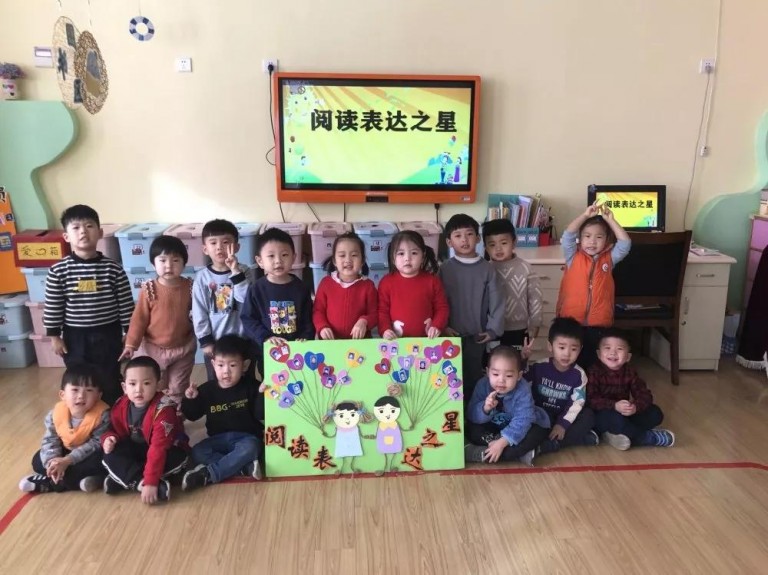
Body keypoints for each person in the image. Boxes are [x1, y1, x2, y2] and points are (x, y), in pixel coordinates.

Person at [43, 204, 134, 404]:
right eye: (76, 228)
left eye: (89, 226)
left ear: (100, 233)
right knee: (79, 377)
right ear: (66, 236)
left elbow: (126, 304)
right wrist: (54, 336)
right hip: (75, 336)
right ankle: (82, 414)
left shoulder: (113, 269)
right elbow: (53, 306)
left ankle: (111, 414)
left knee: (109, 376)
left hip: (108, 333)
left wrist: (129, 332)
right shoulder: (58, 271)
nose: (83, 231)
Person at [101, 356, 189, 504]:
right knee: (109, 454)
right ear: (124, 387)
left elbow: (158, 447)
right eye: (132, 384)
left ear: (158, 385)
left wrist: (151, 483)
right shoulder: (120, 404)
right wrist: (109, 438)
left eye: (146, 383)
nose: (138, 390)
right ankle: (138, 482)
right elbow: (112, 429)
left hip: (163, 450)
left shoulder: (164, 410)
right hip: (136, 450)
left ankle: (126, 479)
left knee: (178, 458)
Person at [120, 235, 196, 404]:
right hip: (152, 349)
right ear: (154, 264)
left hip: (183, 348)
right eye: (162, 260)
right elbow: (139, 319)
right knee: (156, 385)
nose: (169, 265)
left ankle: (175, 414)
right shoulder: (149, 289)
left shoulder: (190, 287)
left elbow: (197, 314)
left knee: (178, 386)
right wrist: (131, 344)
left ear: (184, 263)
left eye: (175, 260)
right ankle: (155, 414)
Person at [181, 335, 263, 490]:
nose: (226, 371)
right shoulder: (207, 390)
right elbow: (192, 415)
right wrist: (191, 399)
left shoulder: (252, 386)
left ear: (245, 365)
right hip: (217, 439)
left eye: (232, 365)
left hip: (246, 438)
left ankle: (209, 474)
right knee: (198, 451)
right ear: (213, 364)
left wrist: (261, 394)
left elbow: (261, 415)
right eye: (220, 365)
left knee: (252, 447)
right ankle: (243, 468)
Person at [556, 203, 631, 369]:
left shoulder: (609, 259)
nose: (592, 241)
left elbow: (625, 243)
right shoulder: (573, 256)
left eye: (599, 237)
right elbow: (568, 235)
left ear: (607, 240)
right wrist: (585, 216)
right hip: (571, 320)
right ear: (580, 238)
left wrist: (610, 221)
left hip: (598, 322)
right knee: (570, 363)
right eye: (587, 236)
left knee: (593, 364)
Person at [439, 214, 504, 400]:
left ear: (478, 238)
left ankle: (475, 413)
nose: (464, 240)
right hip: (450, 335)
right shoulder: (444, 269)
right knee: (449, 377)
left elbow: (497, 301)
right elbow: (437, 301)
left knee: (474, 379)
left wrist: (492, 330)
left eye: (469, 234)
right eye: (458, 235)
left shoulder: (488, 269)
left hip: (478, 336)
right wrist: (443, 326)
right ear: (449, 242)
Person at [18, 365, 110, 494]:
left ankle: (51, 484)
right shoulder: (54, 414)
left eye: (89, 390)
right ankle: (76, 480)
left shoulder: (103, 415)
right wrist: (53, 462)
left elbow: (96, 444)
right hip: (65, 452)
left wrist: (67, 460)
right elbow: (50, 440)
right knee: (37, 460)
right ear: (62, 394)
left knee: (102, 460)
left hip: (87, 455)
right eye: (75, 390)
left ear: (98, 396)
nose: (81, 396)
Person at [241, 227, 314, 376]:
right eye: (271, 256)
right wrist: (265, 337)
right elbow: (248, 319)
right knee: (271, 382)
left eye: (284, 255)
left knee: (298, 381)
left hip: (296, 351)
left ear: (294, 257)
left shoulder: (301, 288)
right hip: (268, 352)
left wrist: (306, 337)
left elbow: (308, 319)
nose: (278, 261)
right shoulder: (256, 289)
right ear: (260, 261)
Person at [588, 328, 675, 449]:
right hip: (602, 414)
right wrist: (614, 405)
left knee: (655, 413)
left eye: (619, 349)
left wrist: (635, 407)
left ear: (628, 357)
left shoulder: (630, 372)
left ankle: (618, 434)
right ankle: (644, 438)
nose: (613, 353)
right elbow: (590, 400)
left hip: (624, 412)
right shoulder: (593, 372)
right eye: (607, 348)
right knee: (614, 420)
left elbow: (644, 395)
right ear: (598, 354)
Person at [523, 317, 598, 456]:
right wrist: (523, 360)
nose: (567, 353)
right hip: (541, 415)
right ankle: (582, 439)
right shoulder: (539, 367)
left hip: (564, 415)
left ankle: (549, 445)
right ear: (550, 346)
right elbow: (520, 382)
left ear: (580, 349)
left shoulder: (579, 374)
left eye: (573, 349)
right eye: (561, 347)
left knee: (588, 416)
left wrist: (562, 424)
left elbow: (577, 402)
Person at [465, 346, 550, 466]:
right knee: (471, 429)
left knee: (538, 432)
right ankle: (514, 454)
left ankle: (485, 453)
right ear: (488, 372)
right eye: (495, 374)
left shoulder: (523, 389)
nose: (501, 380)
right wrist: (485, 408)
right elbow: (471, 414)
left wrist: (502, 443)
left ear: (519, 376)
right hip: (493, 430)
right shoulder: (482, 385)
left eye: (509, 376)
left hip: (519, 428)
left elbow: (524, 420)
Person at [192, 219, 251, 382]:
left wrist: (235, 271)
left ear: (236, 247)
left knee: (245, 379)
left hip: (242, 339)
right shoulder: (202, 278)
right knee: (217, 381)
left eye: (226, 242)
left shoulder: (244, 271)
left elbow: (246, 299)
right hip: (215, 342)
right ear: (205, 249)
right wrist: (205, 341)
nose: (219, 247)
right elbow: (199, 311)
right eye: (213, 243)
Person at [482, 218, 543, 349]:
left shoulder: (526, 268)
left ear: (514, 243)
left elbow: (535, 297)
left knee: (518, 359)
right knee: (494, 360)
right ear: (486, 248)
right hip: (492, 329)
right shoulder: (485, 269)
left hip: (519, 328)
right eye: (492, 245)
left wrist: (535, 321)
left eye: (504, 243)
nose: (498, 248)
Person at [377, 230, 449, 340]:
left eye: (414, 253)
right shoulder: (386, 282)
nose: (407, 258)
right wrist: (385, 329)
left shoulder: (432, 281)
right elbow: (382, 311)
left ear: (423, 256)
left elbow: (442, 308)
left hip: (427, 342)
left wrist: (436, 326)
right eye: (401, 253)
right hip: (396, 342)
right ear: (393, 257)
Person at [313, 232, 377, 339]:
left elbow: (375, 314)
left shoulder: (368, 286)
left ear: (362, 261)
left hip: (360, 342)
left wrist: (364, 321)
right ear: (334, 261)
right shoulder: (326, 283)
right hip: (331, 342)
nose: (348, 260)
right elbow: (318, 311)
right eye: (342, 255)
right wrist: (322, 327)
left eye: (354, 255)